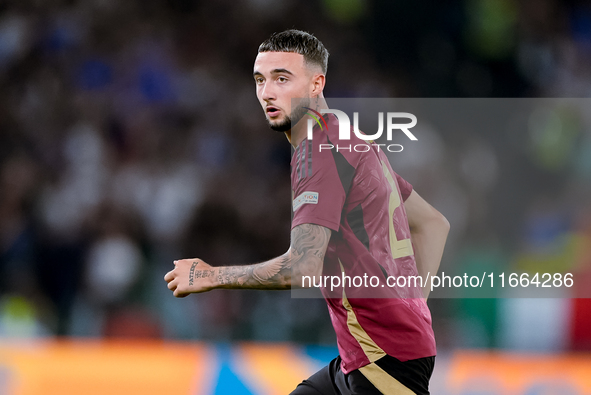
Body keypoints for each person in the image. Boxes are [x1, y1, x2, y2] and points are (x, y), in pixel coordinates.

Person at [164, 29, 450, 395]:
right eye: (260, 80)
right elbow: (433, 224)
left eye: (282, 79)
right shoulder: (352, 142)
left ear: (317, 83)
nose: (267, 92)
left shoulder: (319, 152)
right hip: (366, 356)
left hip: (386, 365)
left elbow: (302, 267)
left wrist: (210, 275)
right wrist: (408, 314)